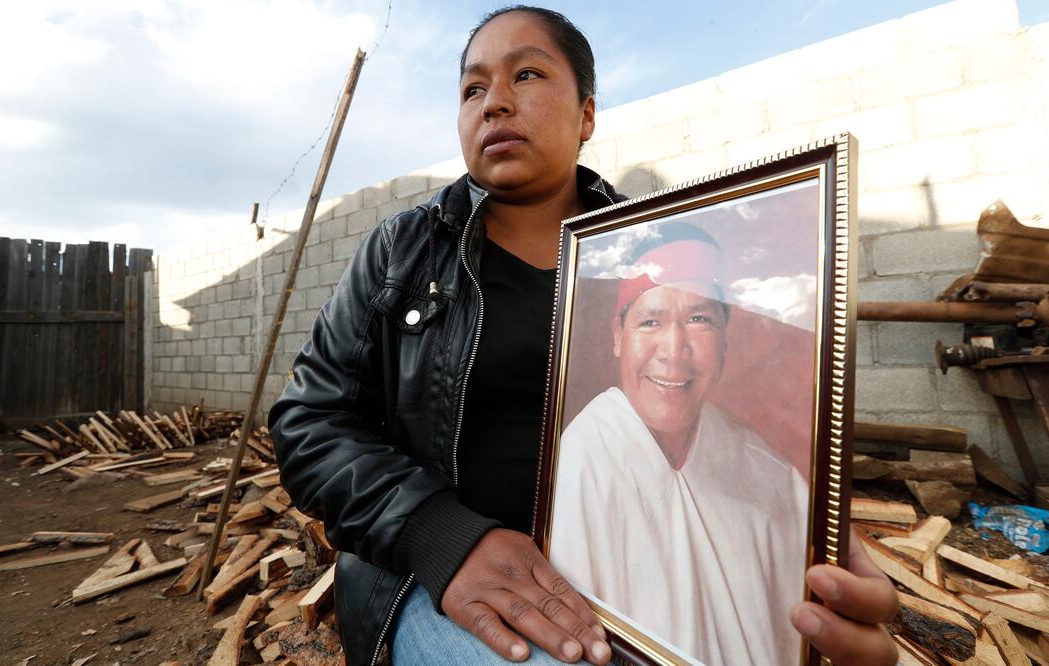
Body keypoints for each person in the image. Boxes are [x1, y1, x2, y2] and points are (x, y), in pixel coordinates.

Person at [269, 5, 899, 666]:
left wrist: (790, 552)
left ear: (587, 115)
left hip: (628, 588)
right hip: (432, 583)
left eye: (528, 75)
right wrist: (442, 537)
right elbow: (310, 423)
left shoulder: (651, 254)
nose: (494, 104)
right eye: (472, 89)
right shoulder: (402, 251)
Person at [549, 231, 809, 665]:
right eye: (650, 321)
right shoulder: (585, 453)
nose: (673, 350)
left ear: (726, 337)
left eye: (699, 320)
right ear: (619, 335)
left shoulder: (768, 471)